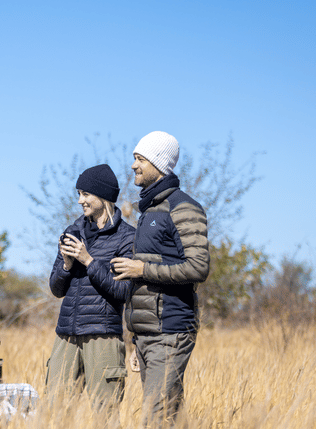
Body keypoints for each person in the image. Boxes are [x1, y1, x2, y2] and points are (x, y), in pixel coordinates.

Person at [111, 131, 210, 425]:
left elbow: (198, 267)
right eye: (134, 159)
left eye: (140, 159)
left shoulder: (183, 208)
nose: (133, 166)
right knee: (171, 418)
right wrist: (135, 340)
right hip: (148, 335)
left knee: (154, 419)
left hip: (170, 332)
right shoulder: (150, 211)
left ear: (158, 163)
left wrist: (142, 269)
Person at [46, 164, 135, 410]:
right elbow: (56, 290)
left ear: (103, 196)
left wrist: (88, 261)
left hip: (103, 335)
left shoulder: (127, 238)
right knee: (55, 412)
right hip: (66, 334)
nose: (79, 201)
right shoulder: (72, 232)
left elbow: (124, 291)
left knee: (105, 415)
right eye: (78, 194)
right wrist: (66, 264)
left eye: (85, 194)